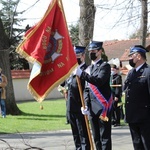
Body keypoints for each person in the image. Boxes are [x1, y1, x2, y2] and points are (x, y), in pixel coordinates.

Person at [76, 41, 113, 150]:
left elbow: (99, 81)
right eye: (90, 51)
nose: (91, 53)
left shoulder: (105, 66)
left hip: (103, 107)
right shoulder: (89, 69)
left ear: (100, 51)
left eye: (93, 51)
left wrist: (82, 74)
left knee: (104, 138)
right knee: (96, 137)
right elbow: (87, 89)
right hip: (92, 108)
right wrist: (86, 104)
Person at [60, 46, 90, 150]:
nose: (75, 58)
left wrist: (86, 104)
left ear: (83, 56)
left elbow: (88, 89)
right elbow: (63, 83)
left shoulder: (86, 70)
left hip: (80, 107)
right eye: (73, 56)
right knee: (76, 135)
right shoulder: (71, 71)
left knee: (83, 134)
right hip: (71, 107)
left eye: (77, 55)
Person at [124, 45, 150, 150]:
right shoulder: (131, 73)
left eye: (131, 56)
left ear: (138, 56)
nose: (130, 59)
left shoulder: (148, 72)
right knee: (137, 145)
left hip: (145, 117)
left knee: (147, 144)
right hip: (132, 115)